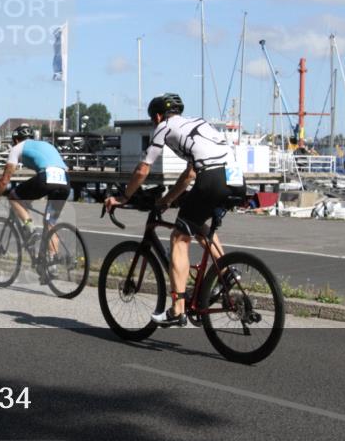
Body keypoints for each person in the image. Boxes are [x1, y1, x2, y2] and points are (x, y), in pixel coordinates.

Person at [105, 93, 245, 327]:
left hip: (212, 177)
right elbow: (190, 173)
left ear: (158, 116)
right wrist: (168, 199)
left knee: (179, 238)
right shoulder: (197, 123)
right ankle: (227, 272)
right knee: (199, 225)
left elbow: (142, 169)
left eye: (153, 120)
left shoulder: (165, 126)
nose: (154, 123)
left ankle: (177, 310)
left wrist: (124, 196)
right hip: (236, 179)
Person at [0, 124, 70, 255]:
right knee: (50, 223)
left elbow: (4, 180)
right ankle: (52, 265)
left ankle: (30, 228)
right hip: (65, 180)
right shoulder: (46, 145)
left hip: (46, 177)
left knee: (13, 196)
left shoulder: (17, 148)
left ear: (16, 140)